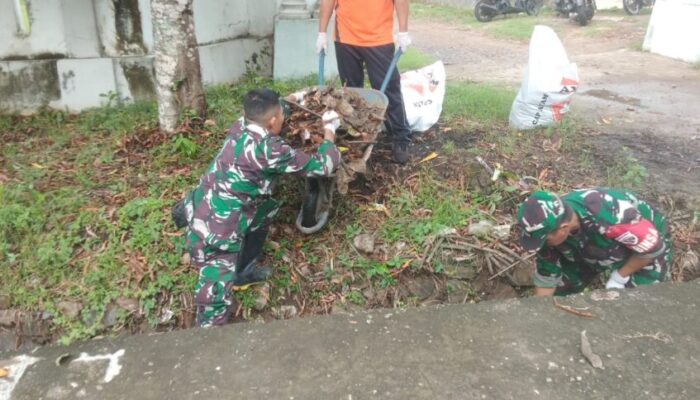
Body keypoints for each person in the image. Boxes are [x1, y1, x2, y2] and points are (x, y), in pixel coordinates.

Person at [182, 88, 342, 327]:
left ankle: (243, 272)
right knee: (214, 299)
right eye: (281, 116)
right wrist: (330, 130)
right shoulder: (270, 150)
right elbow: (325, 165)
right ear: (273, 121)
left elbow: (276, 109)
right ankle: (207, 341)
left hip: (205, 204)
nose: (283, 118)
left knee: (265, 209)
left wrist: (300, 96)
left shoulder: (240, 126)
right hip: (217, 229)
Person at [516, 188, 672, 297]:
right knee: (560, 297)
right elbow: (547, 278)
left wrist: (619, 277)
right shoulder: (549, 227)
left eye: (545, 240)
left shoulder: (612, 217)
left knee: (638, 301)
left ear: (563, 228)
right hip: (587, 245)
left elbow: (651, 250)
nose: (542, 244)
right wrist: (538, 316)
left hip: (644, 245)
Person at [317, 0, 413, 164]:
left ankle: (400, 137)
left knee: (389, 89)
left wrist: (403, 32)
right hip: (345, 38)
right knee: (351, 92)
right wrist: (322, 33)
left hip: (378, 38)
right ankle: (357, 135)